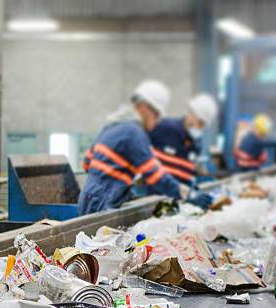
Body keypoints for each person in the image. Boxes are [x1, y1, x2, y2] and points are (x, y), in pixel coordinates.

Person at [78, 80, 213, 215]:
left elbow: (86, 162)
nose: (157, 121)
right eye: (156, 115)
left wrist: (118, 182)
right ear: (142, 107)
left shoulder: (112, 125)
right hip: (103, 202)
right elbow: (155, 176)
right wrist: (188, 194)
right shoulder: (134, 133)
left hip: (89, 198)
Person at [148, 93, 218, 185]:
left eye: (203, 125)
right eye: (200, 122)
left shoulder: (197, 143)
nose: (200, 128)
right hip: (154, 192)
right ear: (191, 113)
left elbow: (187, 167)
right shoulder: (165, 127)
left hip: (178, 192)